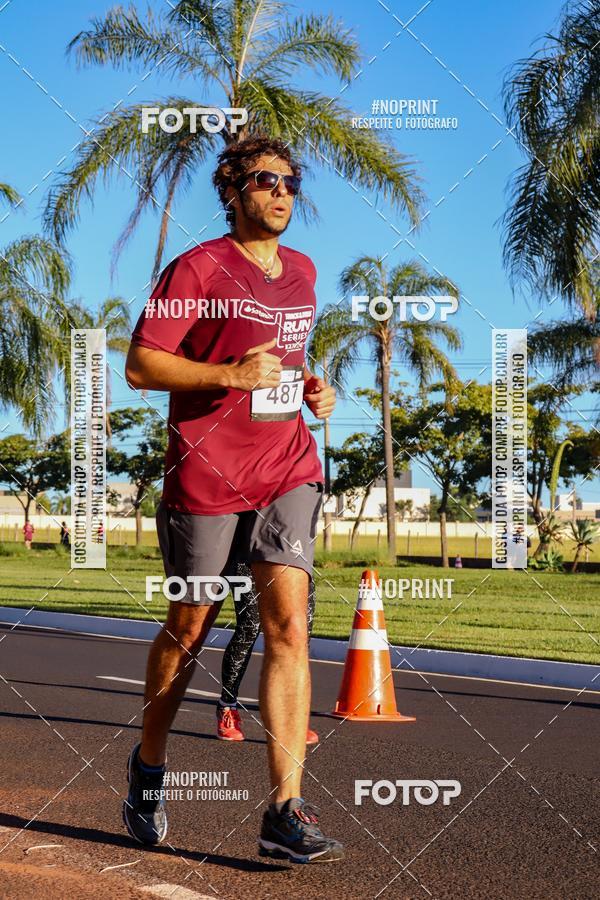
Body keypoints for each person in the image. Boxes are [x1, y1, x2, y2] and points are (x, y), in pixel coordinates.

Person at [123, 136, 342, 864]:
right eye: (265, 180)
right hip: (207, 473)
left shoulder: (304, 271)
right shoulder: (198, 266)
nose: (282, 192)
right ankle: (149, 770)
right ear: (233, 191)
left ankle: (285, 809)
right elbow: (140, 363)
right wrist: (226, 375)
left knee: (289, 623)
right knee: (190, 625)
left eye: (291, 182)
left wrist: (315, 390)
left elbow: (287, 363)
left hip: (287, 465)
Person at [217, 562, 318, 744]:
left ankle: (292, 718)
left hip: (292, 552)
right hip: (248, 553)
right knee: (250, 626)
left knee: (299, 631)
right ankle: (227, 705)